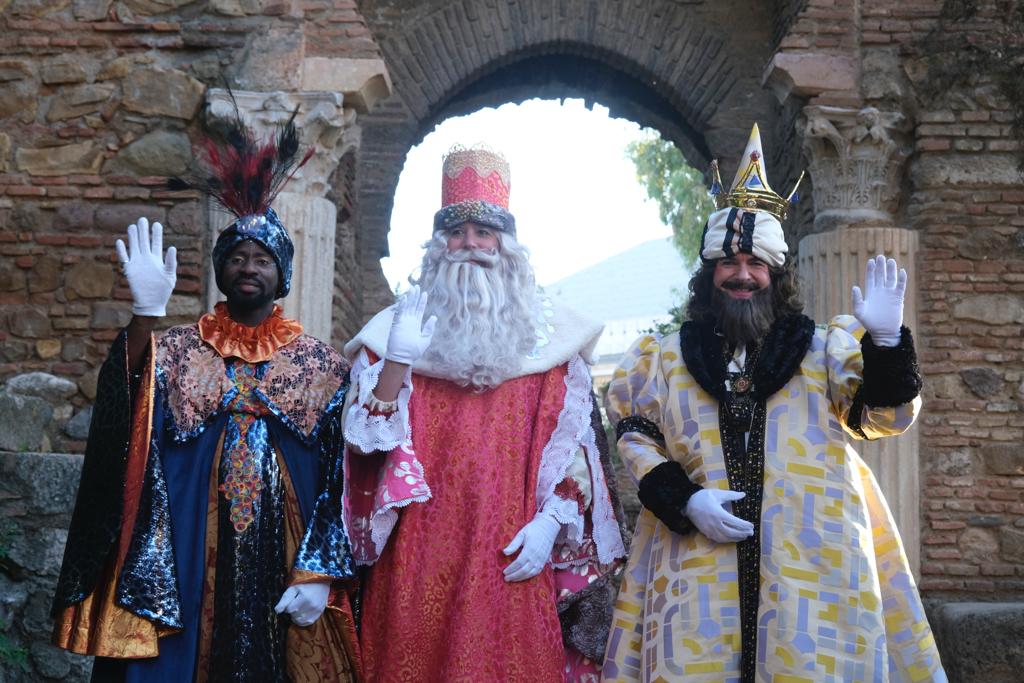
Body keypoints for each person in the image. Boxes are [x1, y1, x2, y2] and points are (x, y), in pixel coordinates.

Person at [602, 125, 947, 682]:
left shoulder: (823, 348)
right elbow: (635, 438)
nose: (743, 275)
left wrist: (885, 346)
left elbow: (886, 419)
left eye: (756, 264)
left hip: (812, 566)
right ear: (709, 274)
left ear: (776, 275)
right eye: (729, 263)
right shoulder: (662, 358)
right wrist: (684, 500)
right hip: (695, 565)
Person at [51, 112, 359, 682]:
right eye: (237, 257)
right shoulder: (175, 349)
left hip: (283, 548)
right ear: (221, 269)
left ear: (282, 275)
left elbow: (343, 474)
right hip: (188, 539)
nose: (249, 267)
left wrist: (319, 570)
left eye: (262, 259)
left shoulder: (320, 363)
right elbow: (127, 406)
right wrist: (144, 315)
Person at [342, 145, 628, 682]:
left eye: (484, 233)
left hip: (511, 548)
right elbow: (364, 447)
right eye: (456, 233)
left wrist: (551, 523)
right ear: (437, 246)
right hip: (417, 554)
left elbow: (578, 453)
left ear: (507, 246)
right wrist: (399, 362)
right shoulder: (393, 333)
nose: (469, 245)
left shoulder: (552, 343)